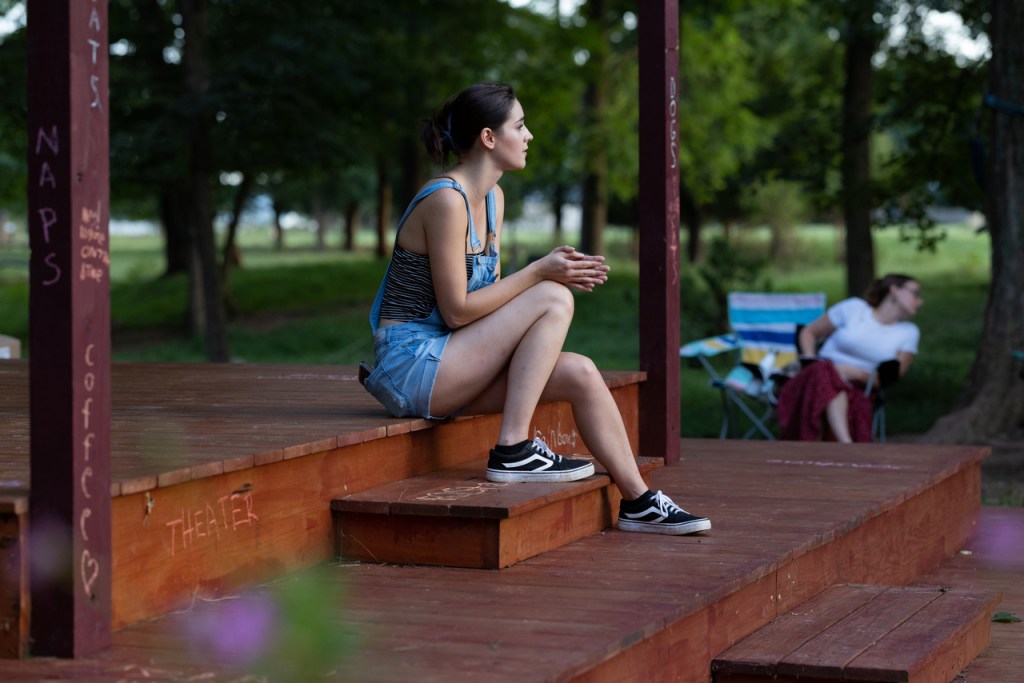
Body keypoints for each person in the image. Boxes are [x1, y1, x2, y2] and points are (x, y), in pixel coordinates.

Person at [362, 82, 709, 535]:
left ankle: (638, 501)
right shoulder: (445, 200)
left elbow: (487, 307)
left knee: (581, 372)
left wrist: (536, 289)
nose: (528, 136)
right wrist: (540, 272)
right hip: (411, 364)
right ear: (489, 137)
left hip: (451, 358)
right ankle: (513, 448)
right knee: (553, 295)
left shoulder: (493, 198)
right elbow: (458, 311)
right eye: (520, 126)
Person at [776, 274, 924, 442]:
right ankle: (847, 445)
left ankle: (829, 445)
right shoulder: (854, 308)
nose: (920, 302)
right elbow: (808, 332)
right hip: (814, 378)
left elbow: (887, 379)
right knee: (823, 373)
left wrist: (848, 372)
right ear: (894, 290)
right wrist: (809, 360)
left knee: (834, 385)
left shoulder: (908, 332)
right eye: (916, 293)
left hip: (858, 387)